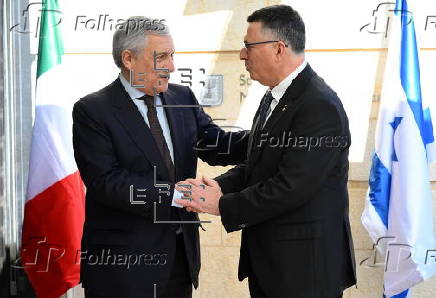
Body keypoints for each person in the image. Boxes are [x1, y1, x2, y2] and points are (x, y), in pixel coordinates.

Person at [176, 5, 357, 298]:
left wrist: (221, 204)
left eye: (248, 46)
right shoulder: (276, 95)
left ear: (278, 48)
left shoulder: (319, 106)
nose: (242, 54)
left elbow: (290, 187)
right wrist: (216, 186)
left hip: (304, 271)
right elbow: (259, 162)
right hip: (273, 264)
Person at [72, 16, 247, 298]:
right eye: (162, 57)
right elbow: (107, 182)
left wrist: (267, 134)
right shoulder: (93, 110)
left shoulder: (182, 97)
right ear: (128, 59)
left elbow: (216, 144)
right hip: (123, 270)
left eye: (172, 55)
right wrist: (177, 195)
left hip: (180, 261)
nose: (171, 66)